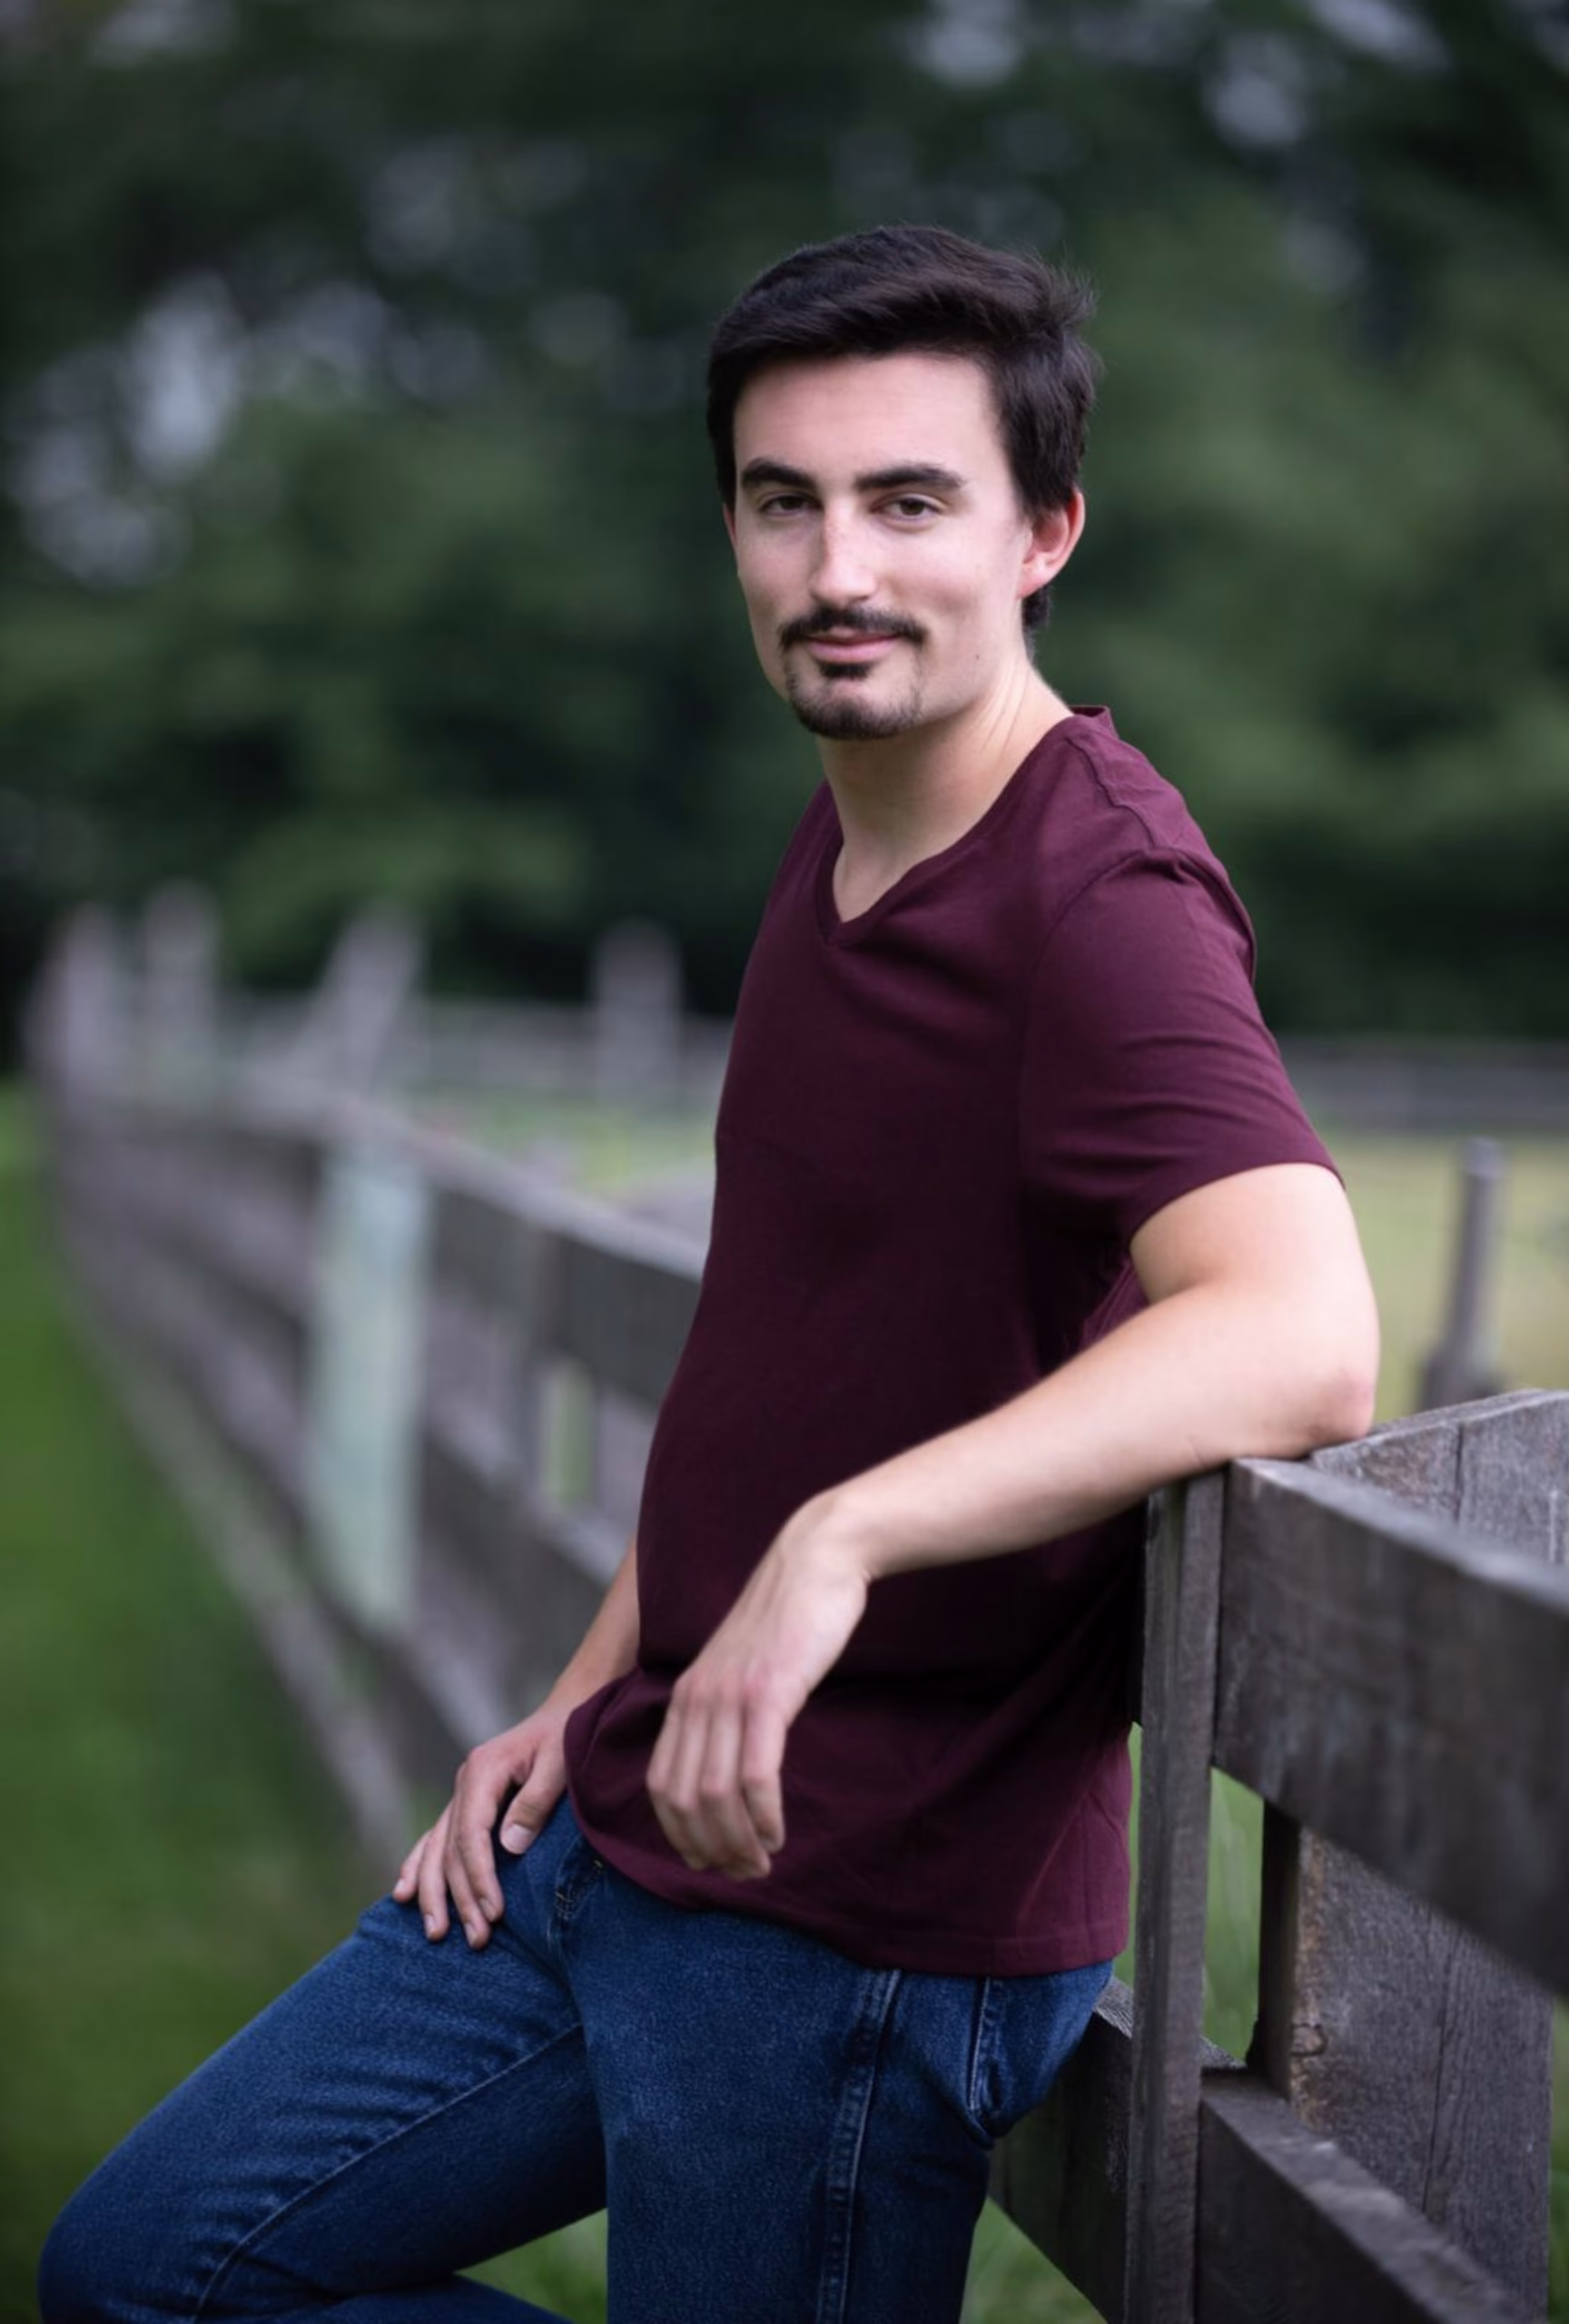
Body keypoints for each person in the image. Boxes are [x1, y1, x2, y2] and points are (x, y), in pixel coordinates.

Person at [40, 226, 1378, 2323]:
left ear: (1045, 531)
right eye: (784, 502)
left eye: (909, 502)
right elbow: (790, 1346)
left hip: (848, 1920)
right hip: (634, 1813)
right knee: (144, 2266)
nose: (837, 568)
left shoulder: (1097, 890)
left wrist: (843, 1540)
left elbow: (1305, 1325)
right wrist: (584, 1687)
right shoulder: (844, 828)